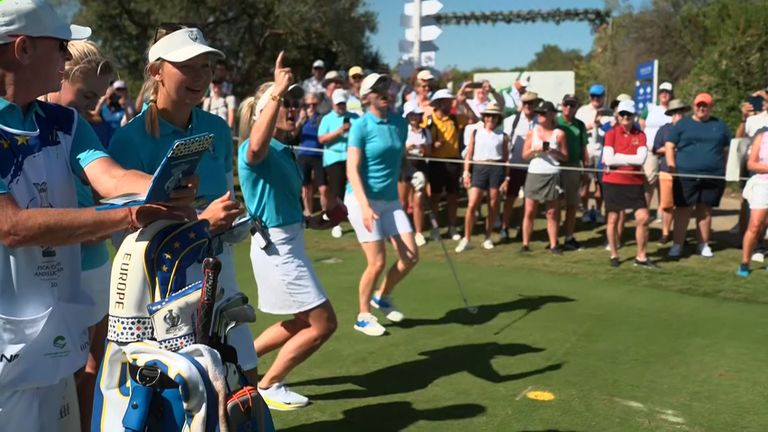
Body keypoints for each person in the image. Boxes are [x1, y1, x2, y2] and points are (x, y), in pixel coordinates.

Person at [0, 2, 195, 430]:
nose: (69, 58)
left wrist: (163, 186)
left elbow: (111, 176)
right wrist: (129, 217)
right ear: (24, 48)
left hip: (50, 342)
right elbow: (11, 227)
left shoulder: (63, 122)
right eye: (61, 46)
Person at [107, 25, 260, 385]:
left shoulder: (218, 128)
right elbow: (125, 237)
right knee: (183, 389)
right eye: (186, 66)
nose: (199, 76)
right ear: (156, 71)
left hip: (219, 266)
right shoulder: (128, 140)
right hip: (161, 286)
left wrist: (232, 222)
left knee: (243, 377)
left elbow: (225, 199)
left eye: (205, 66)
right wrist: (201, 223)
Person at [238, 53, 338, 410]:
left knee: (302, 321)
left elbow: (285, 210)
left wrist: (321, 220)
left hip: (287, 243)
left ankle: (238, 357)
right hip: (276, 250)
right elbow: (254, 146)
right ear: (266, 110)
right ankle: (269, 383)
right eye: (286, 103)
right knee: (323, 323)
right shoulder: (257, 149)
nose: (293, 108)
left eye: (295, 103)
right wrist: (276, 90)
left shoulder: (284, 151)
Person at [42, 39, 119, 431]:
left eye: (98, 97)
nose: (92, 107)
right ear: (62, 73)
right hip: (53, 276)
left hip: (94, 264)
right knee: (59, 373)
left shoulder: (78, 128)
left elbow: (107, 182)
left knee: (93, 363)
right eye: (86, 94)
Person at [345, 73, 417, 336]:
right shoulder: (361, 126)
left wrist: (411, 171)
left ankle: (382, 295)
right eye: (378, 89)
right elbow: (352, 169)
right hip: (361, 198)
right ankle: (363, 315)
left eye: (387, 87)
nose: (385, 92)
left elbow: (400, 157)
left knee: (410, 256)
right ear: (366, 97)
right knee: (376, 262)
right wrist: (364, 206)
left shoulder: (400, 123)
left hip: (390, 200)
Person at [665, 92, 731, 258]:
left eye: (705, 105)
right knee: (683, 210)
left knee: (705, 210)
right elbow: (669, 146)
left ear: (710, 107)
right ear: (694, 106)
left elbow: (726, 151)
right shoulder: (682, 124)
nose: (701, 108)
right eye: (699, 105)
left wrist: (723, 169)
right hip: (685, 175)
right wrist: (672, 166)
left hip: (712, 175)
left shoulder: (720, 125)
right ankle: (677, 245)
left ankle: (703, 244)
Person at [601, 100, 655, 268]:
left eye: (628, 115)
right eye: (622, 114)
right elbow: (607, 159)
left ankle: (641, 256)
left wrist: (618, 158)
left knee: (643, 218)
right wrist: (626, 160)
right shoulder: (611, 133)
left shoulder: (640, 135)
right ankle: (614, 254)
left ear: (633, 116)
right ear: (617, 116)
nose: (625, 117)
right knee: (613, 218)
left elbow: (641, 159)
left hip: (634, 182)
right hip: (613, 181)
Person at [456, 102, 509, 252]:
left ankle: (488, 237)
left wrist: (507, 178)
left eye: (493, 116)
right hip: (479, 168)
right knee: (472, 204)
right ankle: (466, 238)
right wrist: (466, 172)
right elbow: (469, 154)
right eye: (488, 116)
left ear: (498, 118)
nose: (490, 119)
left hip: (496, 169)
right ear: (484, 117)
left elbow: (506, 160)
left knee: (493, 205)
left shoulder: (502, 136)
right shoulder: (476, 132)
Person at [521, 100, 568, 254]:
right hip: (534, 173)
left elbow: (565, 157)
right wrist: (536, 150)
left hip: (552, 173)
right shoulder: (532, 132)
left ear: (551, 114)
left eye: (543, 113)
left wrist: (550, 150)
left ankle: (554, 244)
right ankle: (525, 244)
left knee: (552, 212)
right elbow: (524, 155)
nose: (539, 116)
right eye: (538, 113)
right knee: (529, 211)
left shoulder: (559, 133)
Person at [425, 89, 471, 241]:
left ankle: (452, 227)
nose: (450, 103)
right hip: (435, 162)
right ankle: (435, 228)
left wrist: (464, 103)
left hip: (453, 161)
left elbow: (474, 119)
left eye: (450, 100)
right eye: (446, 101)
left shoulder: (455, 118)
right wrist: (432, 146)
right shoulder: (428, 120)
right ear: (438, 103)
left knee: (453, 196)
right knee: (435, 196)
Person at [318, 88, 359, 238]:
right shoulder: (327, 119)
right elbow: (321, 139)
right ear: (333, 104)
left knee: (355, 189)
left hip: (352, 158)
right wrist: (340, 131)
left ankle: (355, 218)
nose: (341, 106)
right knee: (336, 192)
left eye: (343, 103)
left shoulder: (354, 117)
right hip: (333, 159)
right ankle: (336, 223)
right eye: (338, 104)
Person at [500, 91, 539, 240]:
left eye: (531, 103)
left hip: (533, 167)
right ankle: (504, 227)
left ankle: (523, 228)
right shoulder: (511, 120)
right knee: (510, 198)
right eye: (525, 103)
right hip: (514, 166)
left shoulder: (540, 120)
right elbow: (506, 143)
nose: (528, 106)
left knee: (529, 201)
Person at [652, 99, 690, 245]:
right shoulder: (664, 129)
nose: (678, 116)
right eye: (675, 113)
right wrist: (671, 148)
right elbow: (656, 148)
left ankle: (680, 235)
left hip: (685, 171)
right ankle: (665, 233)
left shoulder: (689, 129)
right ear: (671, 115)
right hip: (667, 171)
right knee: (667, 205)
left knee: (683, 206)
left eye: (680, 113)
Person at [557, 94, 588, 250]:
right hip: (556, 167)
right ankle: (554, 238)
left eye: (572, 105)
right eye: (566, 104)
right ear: (562, 105)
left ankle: (568, 237)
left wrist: (586, 169)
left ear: (576, 107)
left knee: (571, 204)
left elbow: (584, 148)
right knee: (555, 204)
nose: (568, 108)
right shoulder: (555, 122)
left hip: (574, 167)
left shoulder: (580, 125)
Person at [738, 129, 768, 277]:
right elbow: (751, 164)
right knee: (755, 224)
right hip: (763, 185)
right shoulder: (762, 136)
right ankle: (745, 262)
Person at [576, 83, 608, 224]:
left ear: (603, 97)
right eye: (593, 96)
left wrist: (603, 125)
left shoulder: (608, 112)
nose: (596, 99)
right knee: (584, 184)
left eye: (599, 96)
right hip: (587, 152)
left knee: (600, 185)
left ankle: (599, 211)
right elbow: (577, 129)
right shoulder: (582, 110)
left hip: (602, 154)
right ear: (589, 96)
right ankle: (585, 211)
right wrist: (590, 125)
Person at [639, 82, 673, 211]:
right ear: (659, 93)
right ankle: (644, 210)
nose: (664, 94)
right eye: (662, 91)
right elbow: (641, 125)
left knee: (664, 183)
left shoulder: (673, 110)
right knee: (649, 182)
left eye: (667, 92)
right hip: (650, 151)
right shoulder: (650, 107)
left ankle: (662, 211)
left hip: (667, 151)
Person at [402, 101, 431, 247]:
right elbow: (398, 152)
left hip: (420, 167)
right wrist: (407, 149)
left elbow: (430, 153)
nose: (414, 117)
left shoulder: (426, 132)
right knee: (402, 202)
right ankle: (403, 231)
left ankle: (418, 233)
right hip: (404, 166)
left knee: (419, 200)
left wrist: (424, 149)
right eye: (412, 115)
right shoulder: (402, 131)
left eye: (417, 115)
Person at [296, 92, 327, 216]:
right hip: (303, 154)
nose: (311, 107)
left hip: (318, 155)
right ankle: (308, 211)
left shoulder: (321, 118)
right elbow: (294, 134)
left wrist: (314, 117)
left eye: (314, 104)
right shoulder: (301, 117)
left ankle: (325, 212)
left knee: (323, 187)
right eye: (308, 105)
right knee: (305, 186)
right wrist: (301, 120)